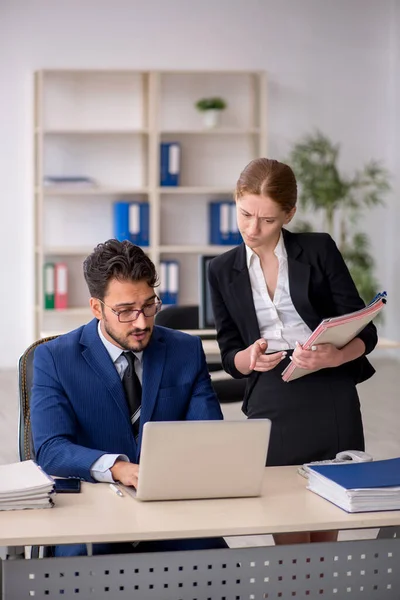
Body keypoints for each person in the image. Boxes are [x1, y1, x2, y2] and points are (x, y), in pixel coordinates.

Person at [208, 158, 378, 543]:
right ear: (236, 201)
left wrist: (334, 356)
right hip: (271, 390)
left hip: (329, 388)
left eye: (267, 220)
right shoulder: (221, 269)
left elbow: (366, 331)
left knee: (325, 525)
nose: (253, 229)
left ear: (289, 214)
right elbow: (230, 352)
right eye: (246, 214)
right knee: (285, 527)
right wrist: (248, 358)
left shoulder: (317, 250)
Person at [31, 239, 224, 556]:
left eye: (149, 305)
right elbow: (50, 449)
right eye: (125, 311)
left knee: (224, 564)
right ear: (97, 308)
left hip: (172, 509)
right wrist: (119, 468)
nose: (141, 321)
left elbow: (209, 436)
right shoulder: (54, 358)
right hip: (90, 512)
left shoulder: (185, 350)